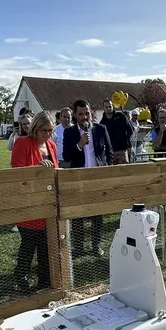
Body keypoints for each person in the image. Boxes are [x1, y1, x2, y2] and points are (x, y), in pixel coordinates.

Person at [10, 111, 59, 293]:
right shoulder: (22, 143)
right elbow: (16, 170)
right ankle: (20, 277)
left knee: (46, 245)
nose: (46, 134)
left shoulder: (52, 146)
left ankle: (44, 280)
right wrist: (36, 170)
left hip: (47, 203)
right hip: (28, 204)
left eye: (49, 130)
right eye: (43, 130)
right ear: (35, 129)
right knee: (29, 243)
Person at [63, 99, 114, 256]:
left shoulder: (100, 129)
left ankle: (96, 245)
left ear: (90, 113)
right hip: (78, 178)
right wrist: (79, 144)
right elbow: (66, 156)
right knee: (78, 215)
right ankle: (78, 247)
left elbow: (109, 152)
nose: (84, 117)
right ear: (75, 115)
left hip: (97, 177)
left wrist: (106, 170)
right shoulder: (69, 132)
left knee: (97, 214)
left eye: (86, 113)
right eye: (80, 114)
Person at [99, 98, 133, 165]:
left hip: (123, 150)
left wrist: (130, 146)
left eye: (110, 106)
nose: (108, 108)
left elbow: (130, 131)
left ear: (113, 106)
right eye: (106, 107)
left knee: (124, 171)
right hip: (111, 152)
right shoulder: (102, 123)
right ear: (103, 108)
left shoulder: (121, 116)